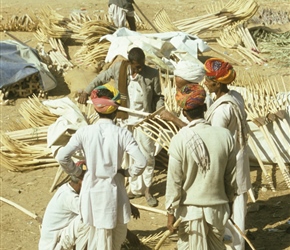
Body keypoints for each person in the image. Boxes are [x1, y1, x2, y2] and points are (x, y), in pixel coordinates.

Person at [56, 84, 147, 249]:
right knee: (113, 238)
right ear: (115, 109)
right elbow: (141, 162)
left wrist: (77, 172)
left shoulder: (84, 132)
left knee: (95, 235)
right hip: (115, 188)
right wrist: (127, 172)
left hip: (91, 190)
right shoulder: (122, 134)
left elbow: (62, 156)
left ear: (96, 109)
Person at [78, 47, 164, 207]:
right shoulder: (119, 68)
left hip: (144, 120)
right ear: (130, 63)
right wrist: (86, 91)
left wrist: (159, 110)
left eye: (142, 66)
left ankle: (147, 190)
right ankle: (124, 188)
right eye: (137, 66)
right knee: (123, 156)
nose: (140, 69)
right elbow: (100, 79)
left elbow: (159, 96)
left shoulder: (152, 73)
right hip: (124, 118)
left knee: (147, 156)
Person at [165, 83, 237, 249]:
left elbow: (174, 181)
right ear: (205, 107)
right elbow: (230, 177)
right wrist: (230, 203)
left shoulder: (179, 139)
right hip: (218, 210)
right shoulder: (225, 136)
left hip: (189, 214)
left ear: (184, 112)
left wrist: (170, 213)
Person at [204, 58, 252, 250]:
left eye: (208, 80)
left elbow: (216, 142)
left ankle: (234, 244)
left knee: (230, 204)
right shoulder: (236, 97)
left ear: (217, 83)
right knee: (239, 199)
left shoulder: (221, 111)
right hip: (240, 155)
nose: (205, 83)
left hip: (228, 160)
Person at [38, 166, 89, 250]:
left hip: (50, 242)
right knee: (87, 219)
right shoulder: (70, 198)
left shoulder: (65, 188)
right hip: (54, 245)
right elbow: (89, 211)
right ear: (81, 182)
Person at [159, 60, 208, 128]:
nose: (177, 90)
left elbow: (197, 131)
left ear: (191, 86)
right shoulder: (187, 99)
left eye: (179, 88)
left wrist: (173, 119)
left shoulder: (201, 100)